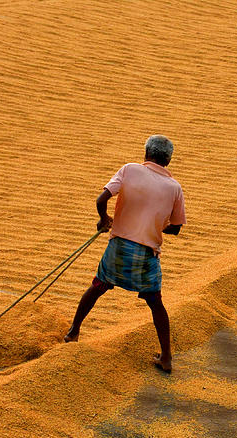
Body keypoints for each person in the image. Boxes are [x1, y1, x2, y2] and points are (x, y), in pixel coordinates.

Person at [64, 135, 186, 373]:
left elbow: (102, 199)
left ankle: (73, 332)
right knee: (155, 302)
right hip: (146, 254)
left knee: (98, 286)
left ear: (146, 154)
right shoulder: (175, 188)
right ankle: (167, 358)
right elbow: (176, 228)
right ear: (168, 161)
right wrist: (156, 224)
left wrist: (104, 219)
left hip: (119, 247)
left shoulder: (130, 170)